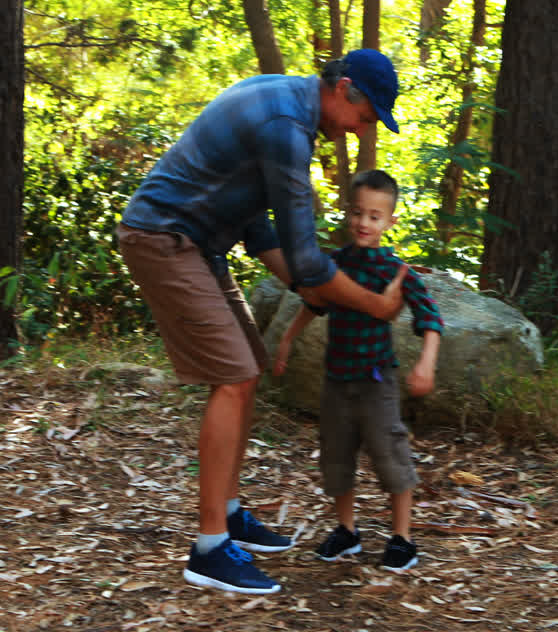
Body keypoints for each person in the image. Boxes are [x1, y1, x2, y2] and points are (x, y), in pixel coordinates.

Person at [116, 49, 409, 594]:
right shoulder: (286, 127)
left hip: (202, 244)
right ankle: (208, 550)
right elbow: (305, 259)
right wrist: (370, 304)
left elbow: (261, 234)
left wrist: (313, 293)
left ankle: (226, 515)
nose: (360, 130)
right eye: (366, 117)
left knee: (247, 366)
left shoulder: (284, 100)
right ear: (344, 89)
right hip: (163, 239)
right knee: (232, 376)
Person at [273, 169, 443, 571]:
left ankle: (403, 538)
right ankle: (346, 531)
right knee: (336, 456)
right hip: (336, 381)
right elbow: (316, 303)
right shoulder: (335, 264)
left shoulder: (395, 271)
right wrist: (287, 339)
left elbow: (431, 318)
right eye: (358, 213)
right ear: (348, 213)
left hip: (376, 381)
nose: (364, 223)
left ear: (389, 222)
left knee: (390, 456)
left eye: (374, 216)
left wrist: (426, 363)